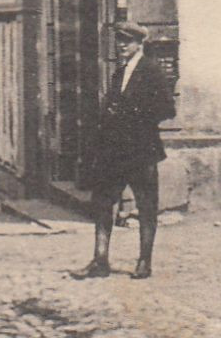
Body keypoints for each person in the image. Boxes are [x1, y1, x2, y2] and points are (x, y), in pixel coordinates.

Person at [75, 21, 176, 281]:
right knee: (103, 203)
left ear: (139, 43)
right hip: (113, 152)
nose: (121, 46)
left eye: (127, 41)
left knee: (146, 205)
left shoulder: (152, 71)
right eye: (119, 41)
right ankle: (100, 260)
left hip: (141, 151)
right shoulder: (119, 73)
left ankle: (144, 262)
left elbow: (167, 109)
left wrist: (131, 114)